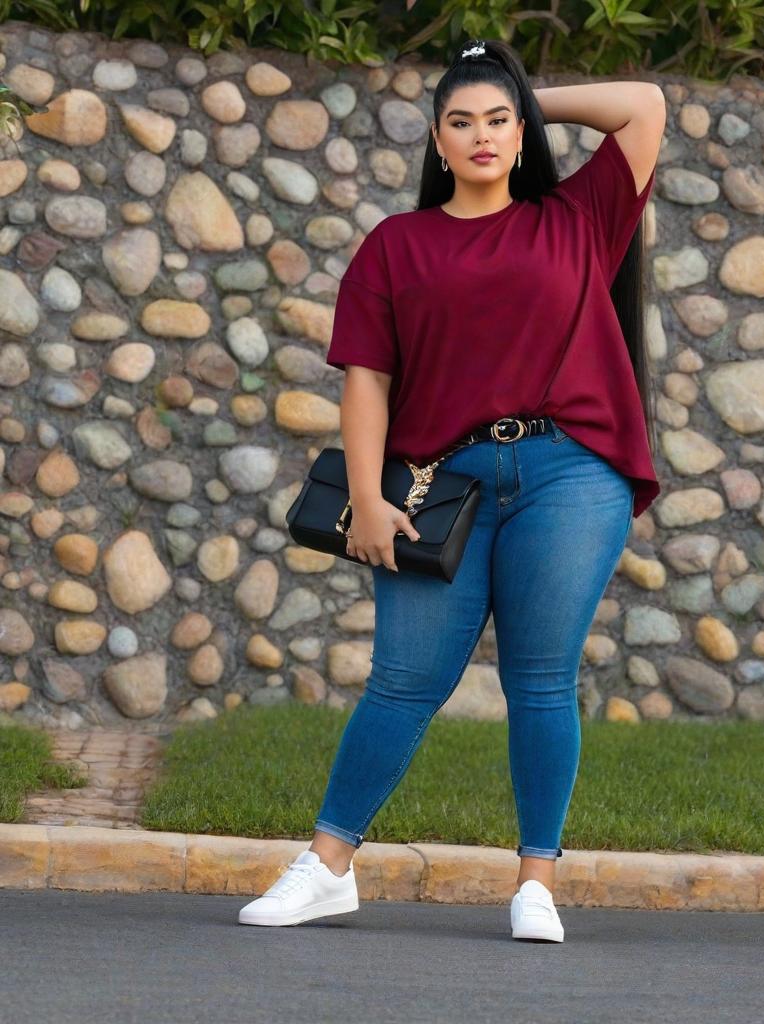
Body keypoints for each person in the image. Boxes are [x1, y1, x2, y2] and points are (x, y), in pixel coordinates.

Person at [239, 37, 665, 942]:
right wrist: (367, 498)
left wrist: (520, 91)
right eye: (461, 123)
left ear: (520, 135)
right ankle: (326, 869)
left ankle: (536, 884)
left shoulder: (577, 217)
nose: (481, 136)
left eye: (497, 121)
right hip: (439, 485)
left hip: (567, 474)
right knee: (404, 678)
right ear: (436, 142)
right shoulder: (399, 245)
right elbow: (365, 379)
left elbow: (642, 104)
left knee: (541, 679)